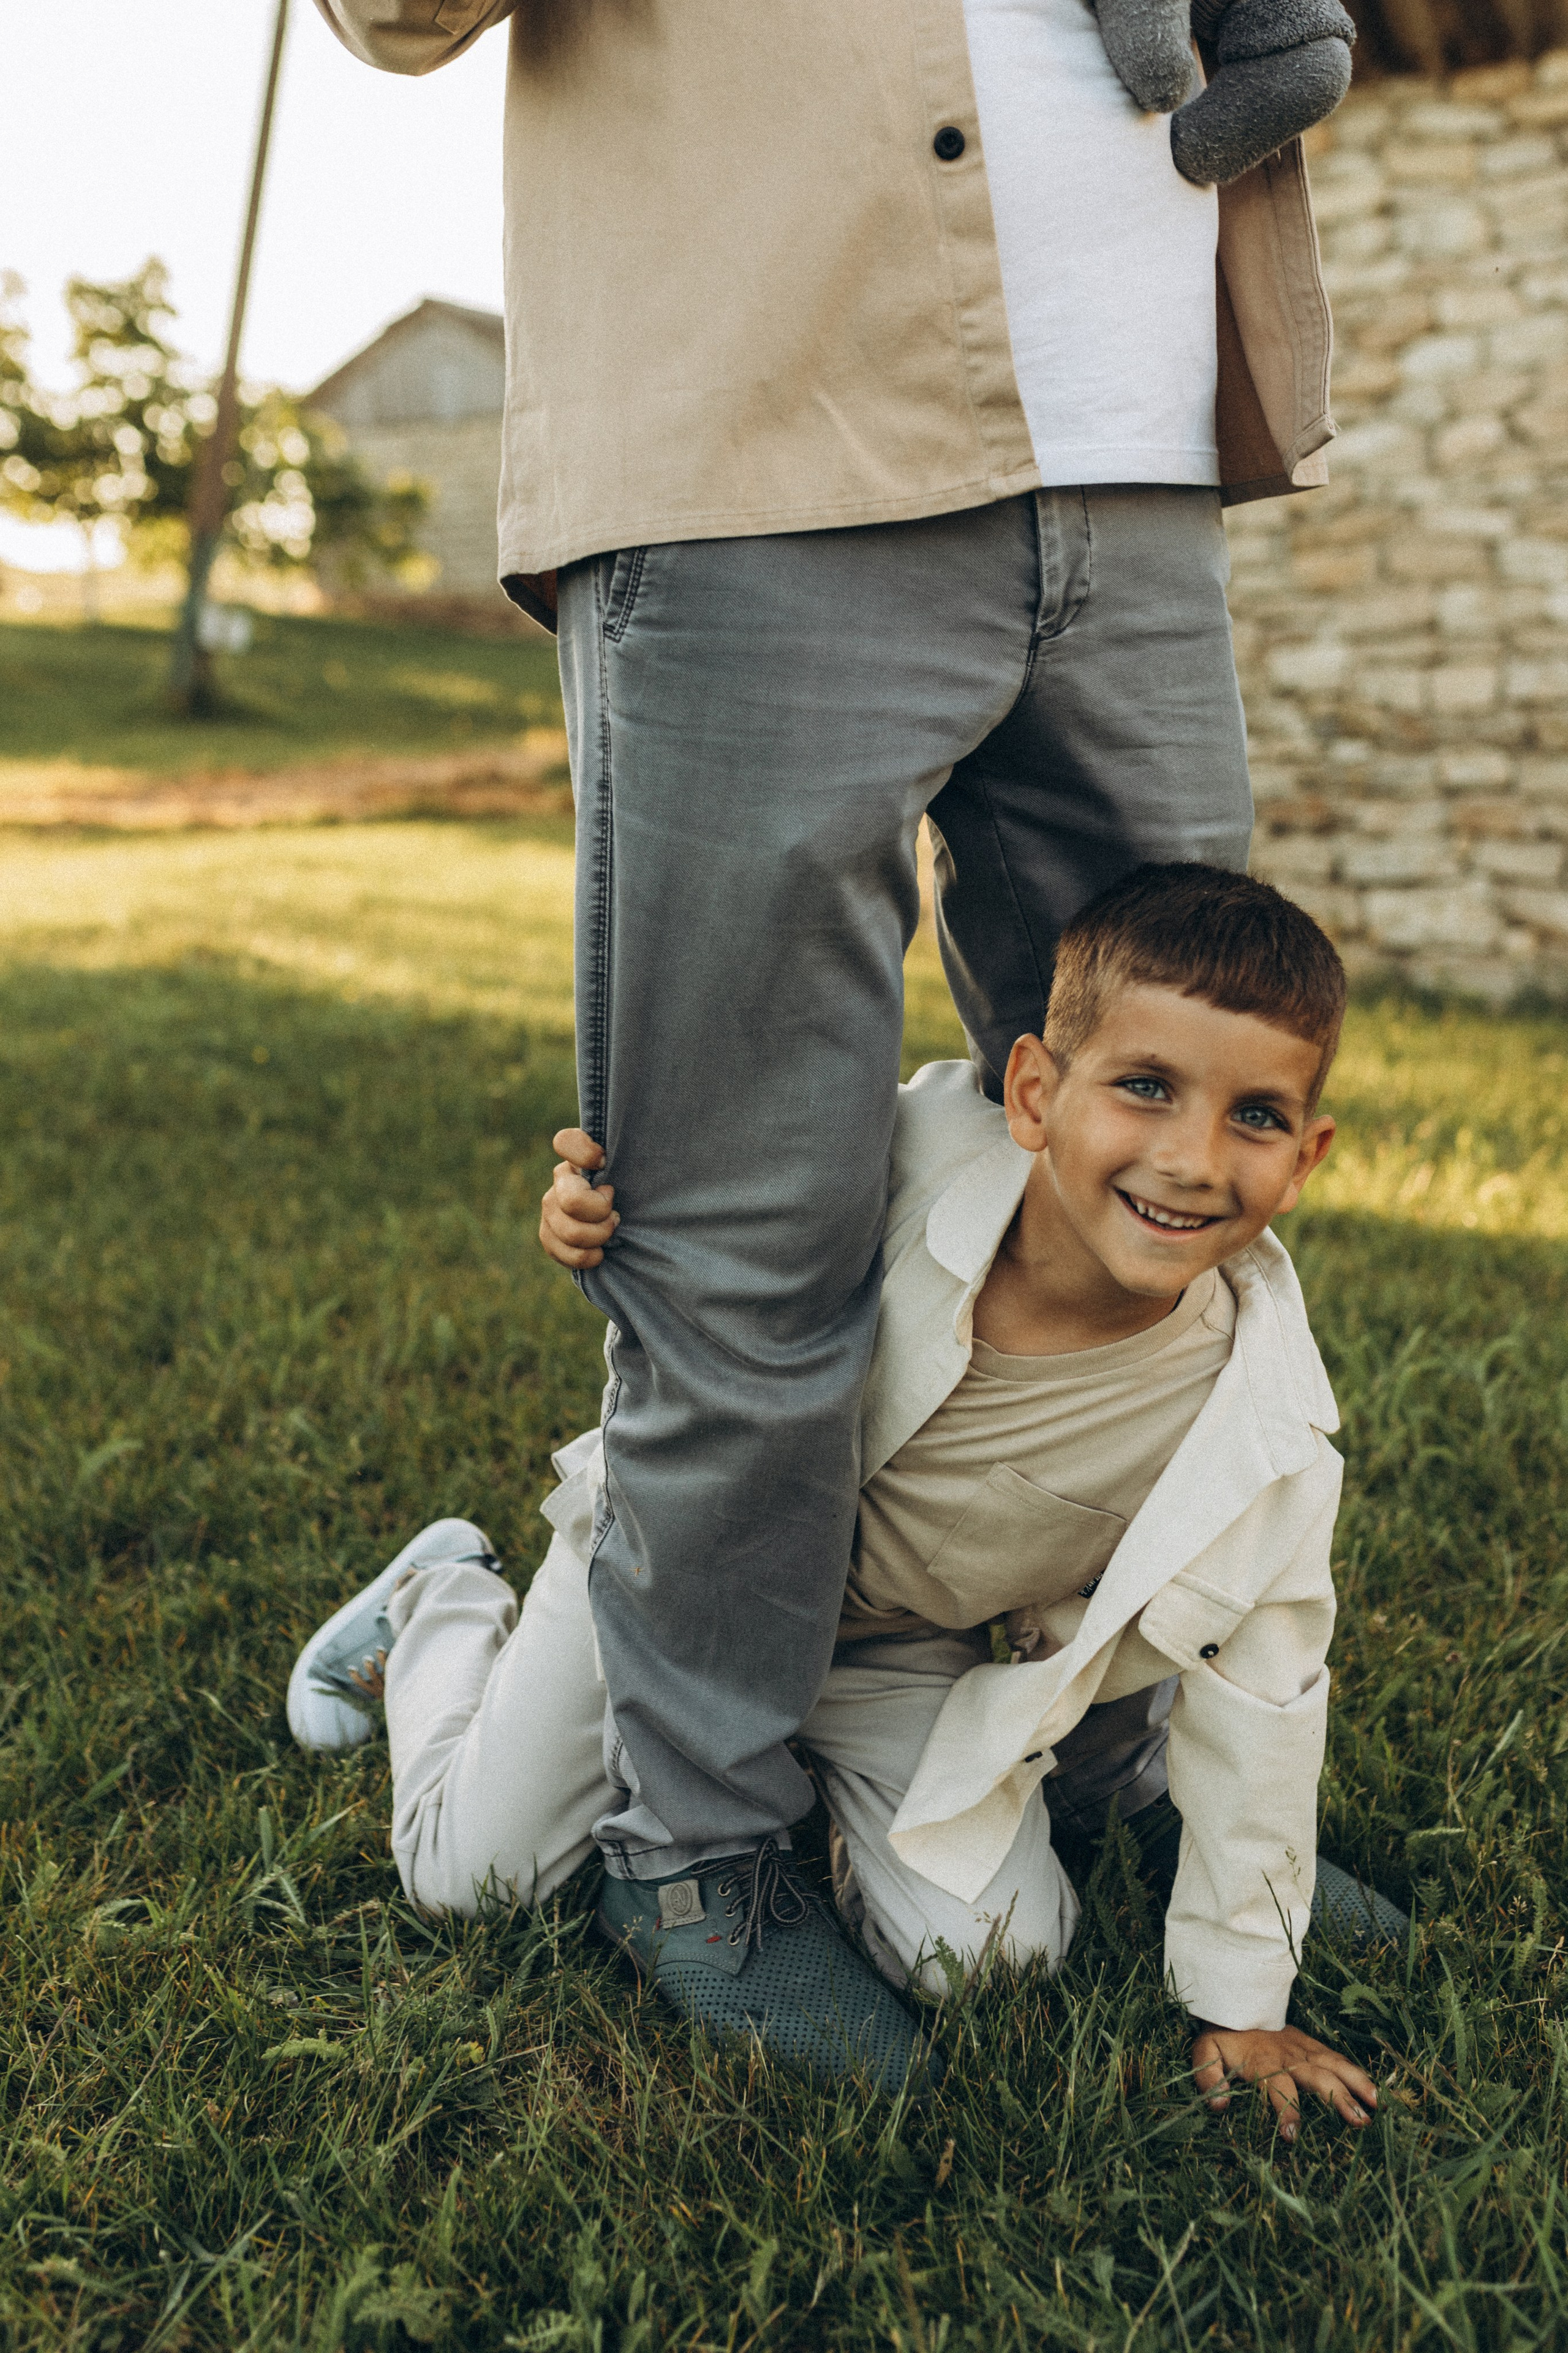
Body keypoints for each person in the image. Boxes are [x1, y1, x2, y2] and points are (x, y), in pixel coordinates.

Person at [315, 0, 1355, 2071]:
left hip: (1136, 430)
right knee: (744, 1220)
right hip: (757, 419)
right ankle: (696, 1841)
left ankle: (1121, 1742)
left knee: (1167, 1179)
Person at [291, 866, 1401, 2128]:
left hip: (886, 1648)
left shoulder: (1260, 1419)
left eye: (1253, 1115)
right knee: (469, 1877)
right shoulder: (910, 1148)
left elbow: (1263, 1694)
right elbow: (709, 1181)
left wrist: (1241, 1997)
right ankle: (438, 1600)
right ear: (1035, 1092)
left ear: (1305, 1155)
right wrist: (596, 1205)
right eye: (1143, 1086)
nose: (1192, 1159)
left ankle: (796, 1794)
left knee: (992, 1956)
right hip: (680, 1574)